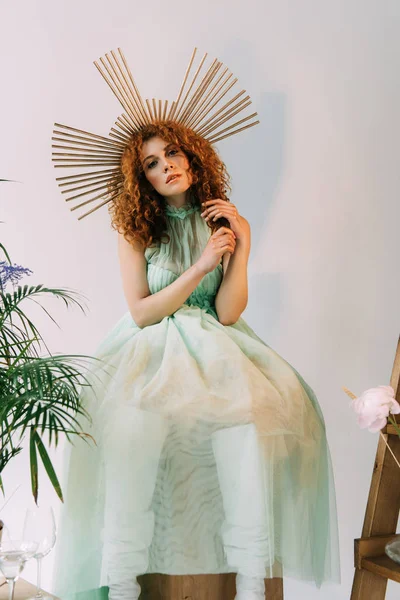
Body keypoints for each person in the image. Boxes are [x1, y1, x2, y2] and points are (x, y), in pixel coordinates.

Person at [53, 120, 340, 600]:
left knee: (250, 423)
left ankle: (251, 584)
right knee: (130, 428)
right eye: (151, 163)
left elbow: (227, 312)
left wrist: (241, 246)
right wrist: (202, 264)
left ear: (191, 157)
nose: (166, 166)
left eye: (172, 154)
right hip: (151, 345)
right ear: (141, 178)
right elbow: (143, 311)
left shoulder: (219, 220)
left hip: (217, 343)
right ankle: (124, 585)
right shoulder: (136, 228)